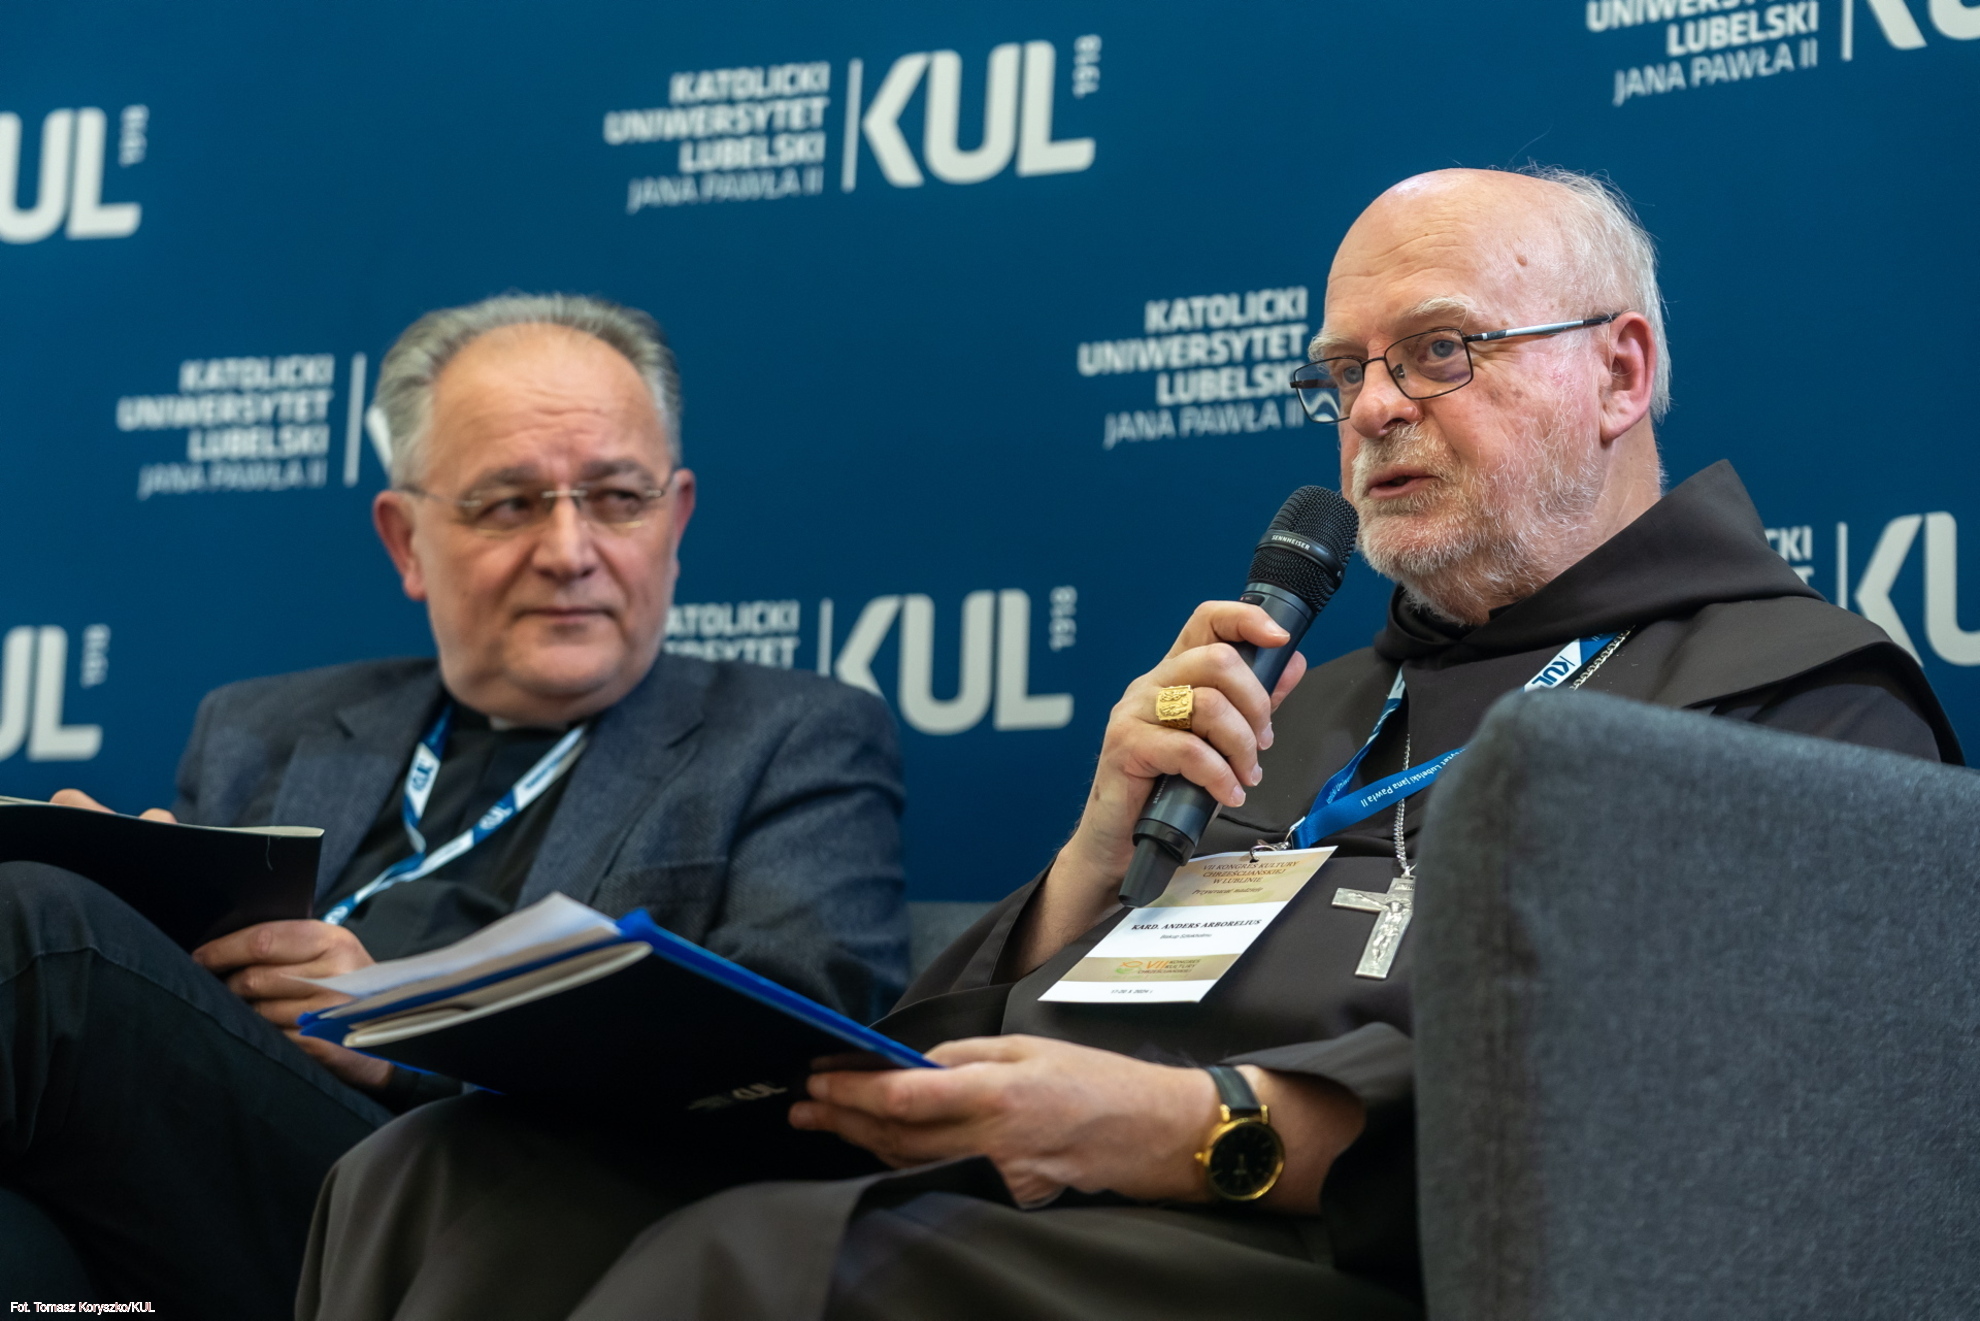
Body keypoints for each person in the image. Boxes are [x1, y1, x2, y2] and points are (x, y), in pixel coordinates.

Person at [298, 169, 1958, 1321]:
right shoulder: (1308, 698)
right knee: (449, 1177)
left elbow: (1676, 1155)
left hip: (1343, 1259)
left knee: (750, 1271)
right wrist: (1097, 853)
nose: (1374, 406)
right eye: (1344, 370)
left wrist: (1189, 1124)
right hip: (1078, 1197)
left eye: (1439, 350)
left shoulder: (1789, 702)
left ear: (1622, 369)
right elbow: (1024, 1031)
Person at [0, 295, 907, 1316]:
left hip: (499, 1221)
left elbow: (794, 1068)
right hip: (222, 1214)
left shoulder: (794, 735)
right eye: (509, 504)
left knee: (45, 930)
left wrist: (399, 1031)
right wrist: (146, 917)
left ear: (676, 519)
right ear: (406, 540)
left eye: (618, 498)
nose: (569, 550)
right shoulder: (259, 728)